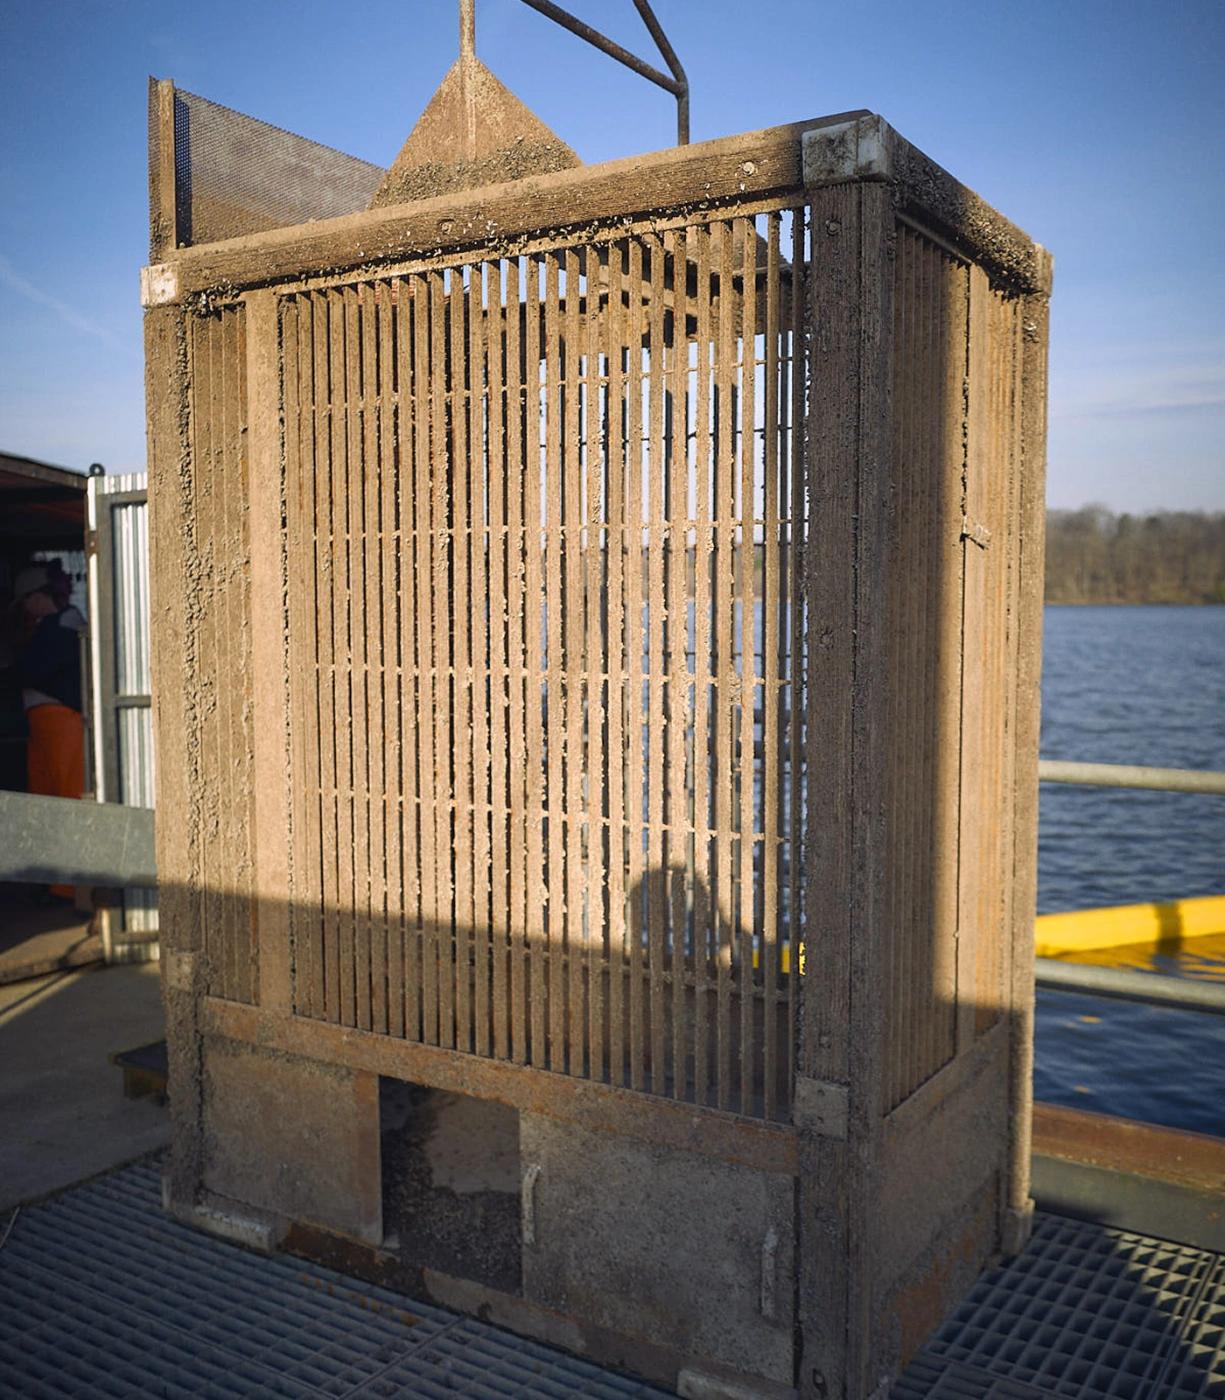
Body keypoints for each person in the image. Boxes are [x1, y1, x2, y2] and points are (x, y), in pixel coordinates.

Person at [15, 560, 87, 901]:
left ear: (39, 596)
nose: (25, 609)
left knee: (66, 795)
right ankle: (56, 881)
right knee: (47, 797)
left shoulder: (63, 624)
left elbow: (35, 670)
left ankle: (69, 885)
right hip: (43, 721)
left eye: (27, 600)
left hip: (62, 718)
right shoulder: (46, 627)